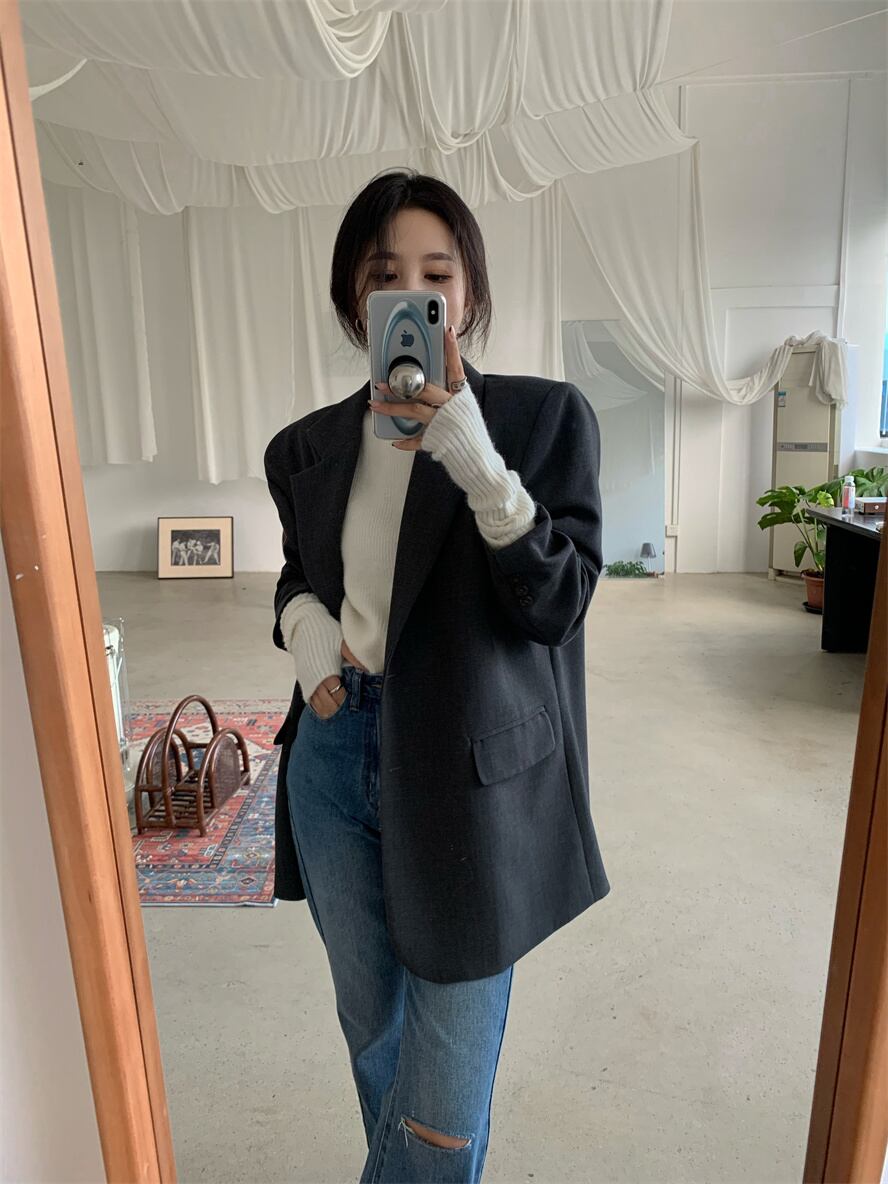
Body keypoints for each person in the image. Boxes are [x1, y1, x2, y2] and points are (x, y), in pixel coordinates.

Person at [263, 168, 610, 1183]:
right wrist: (302, 624)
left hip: (467, 775)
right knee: (374, 1032)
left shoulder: (543, 420)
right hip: (334, 757)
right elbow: (298, 574)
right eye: (384, 274)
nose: (410, 293)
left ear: (470, 292)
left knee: (442, 1098)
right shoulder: (307, 448)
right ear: (353, 297)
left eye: (436, 272)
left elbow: (558, 601)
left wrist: (473, 456)